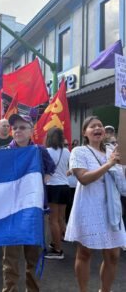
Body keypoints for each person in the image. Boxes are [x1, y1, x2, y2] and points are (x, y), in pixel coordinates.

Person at [65, 116, 126, 292]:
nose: (98, 128)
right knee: (85, 253)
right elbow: (84, 179)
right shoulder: (79, 151)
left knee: (113, 255)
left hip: (111, 209)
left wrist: (119, 166)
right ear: (85, 132)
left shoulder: (112, 151)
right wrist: (109, 165)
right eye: (93, 126)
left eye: (100, 125)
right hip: (89, 208)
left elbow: (121, 184)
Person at [2, 113, 55, 292]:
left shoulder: (40, 151)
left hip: (36, 212)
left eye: (22, 127)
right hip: (13, 213)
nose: (18, 130)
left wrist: (41, 181)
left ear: (32, 130)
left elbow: (51, 168)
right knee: (10, 259)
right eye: (15, 127)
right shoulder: (6, 153)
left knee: (34, 258)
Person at [44, 128, 70, 260]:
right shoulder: (66, 151)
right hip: (65, 186)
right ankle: (59, 240)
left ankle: (58, 250)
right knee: (61, 218)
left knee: (52, 220)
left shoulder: (46, 152)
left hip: (53, 187)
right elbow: (69, 168)